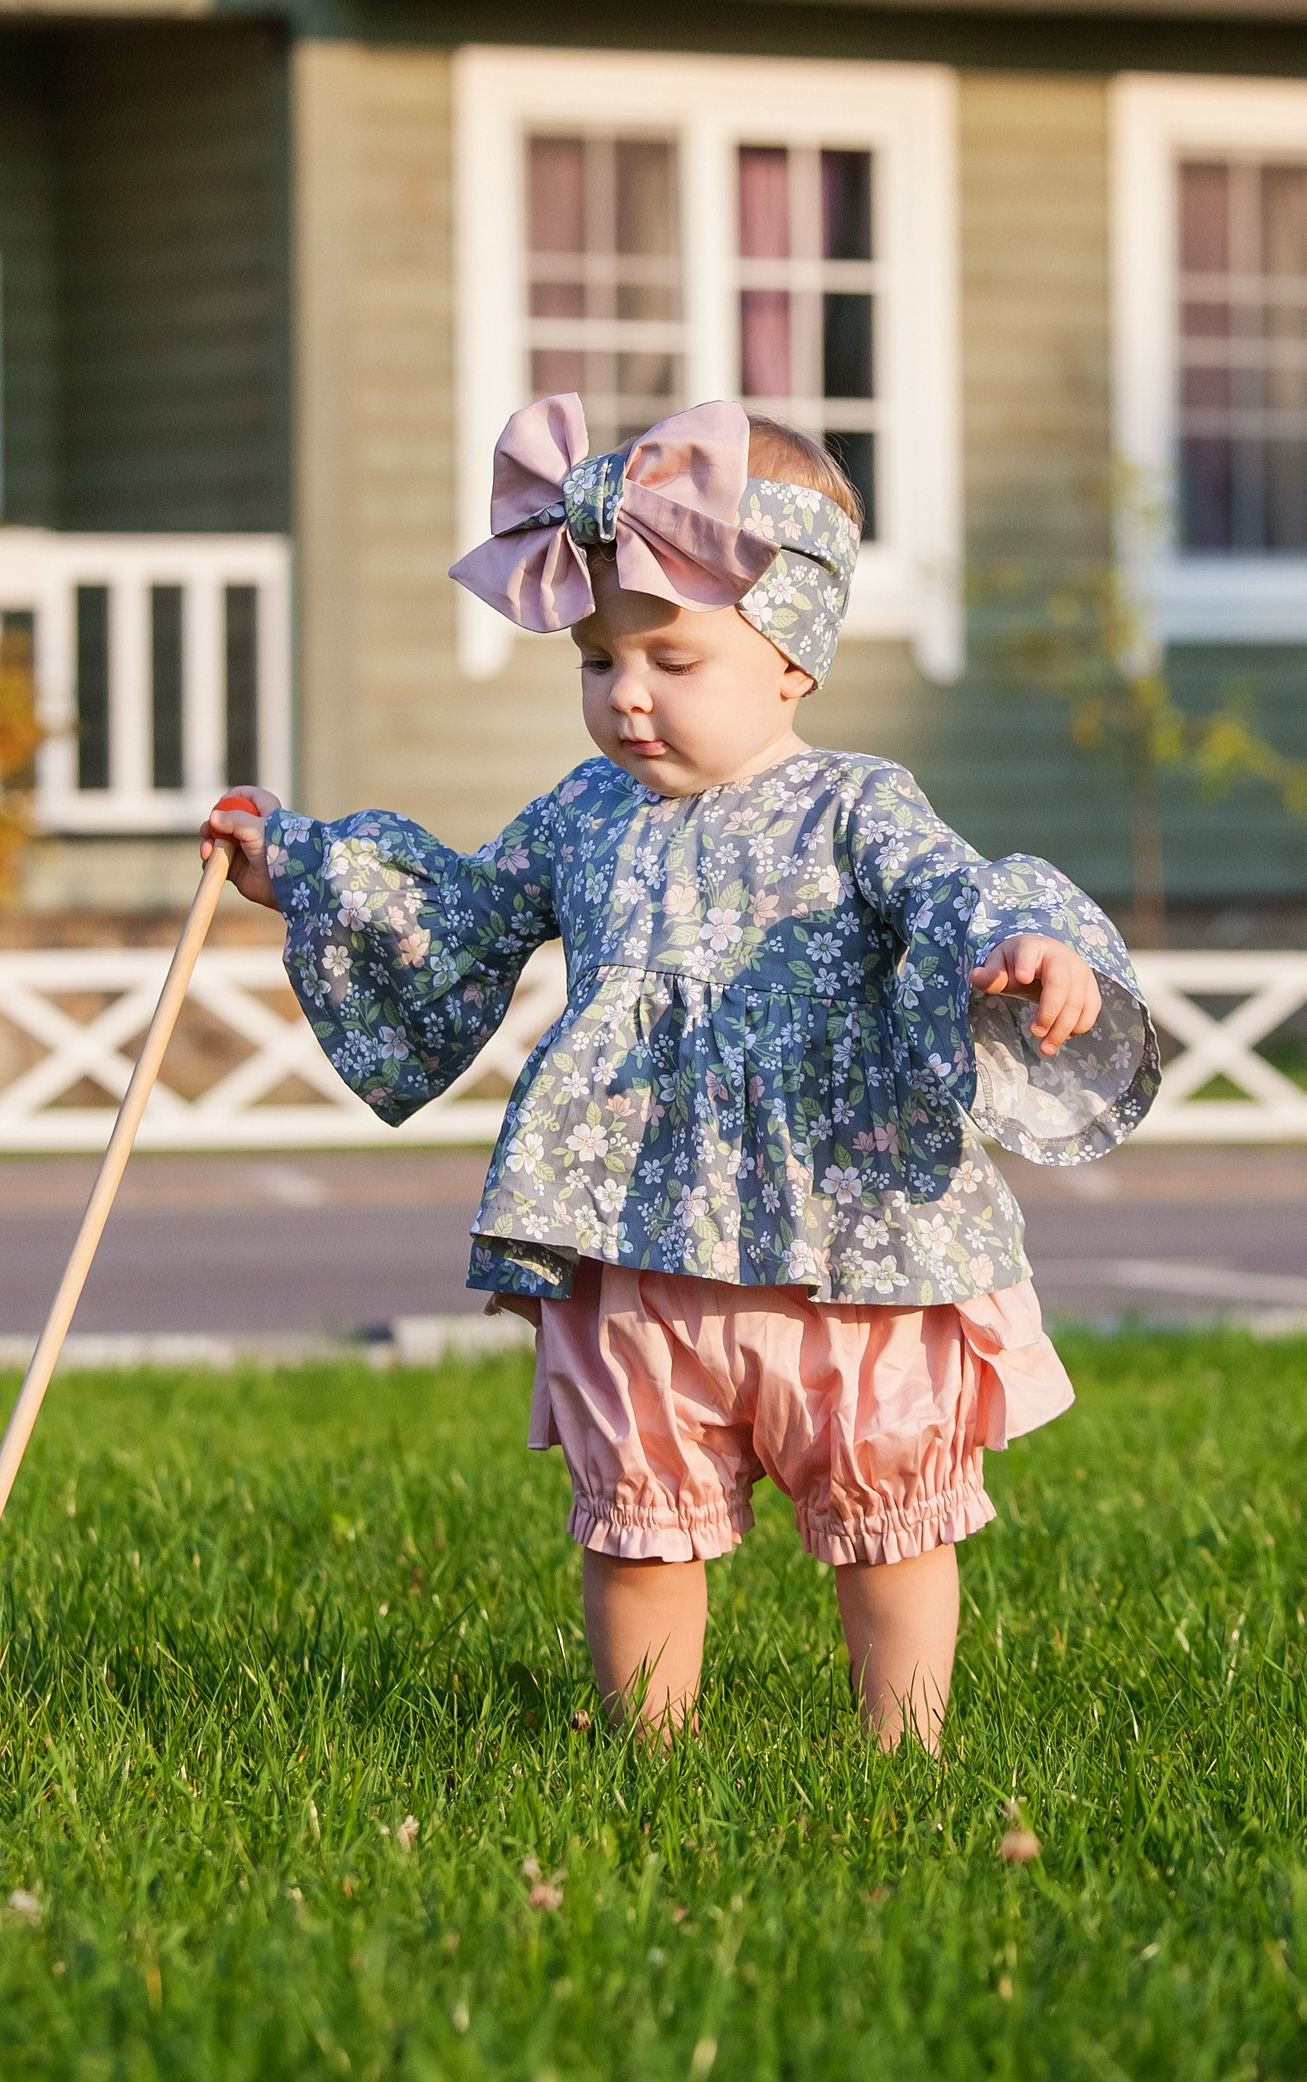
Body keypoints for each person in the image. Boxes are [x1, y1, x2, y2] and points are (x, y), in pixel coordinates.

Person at [202, 395, 1159, 1750]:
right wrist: (294, 863)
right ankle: (647, 1752)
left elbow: (953, 891)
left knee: (884, 1512)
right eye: (598, 659)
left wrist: (1024, 944)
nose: (628, 693)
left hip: (850, 1241)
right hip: (634, 1241)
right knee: (639, 1522)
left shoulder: (855, 809)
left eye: (672, 657)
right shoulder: (587, 816)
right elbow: (459, 913)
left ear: (790, 662)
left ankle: (905, 1749)